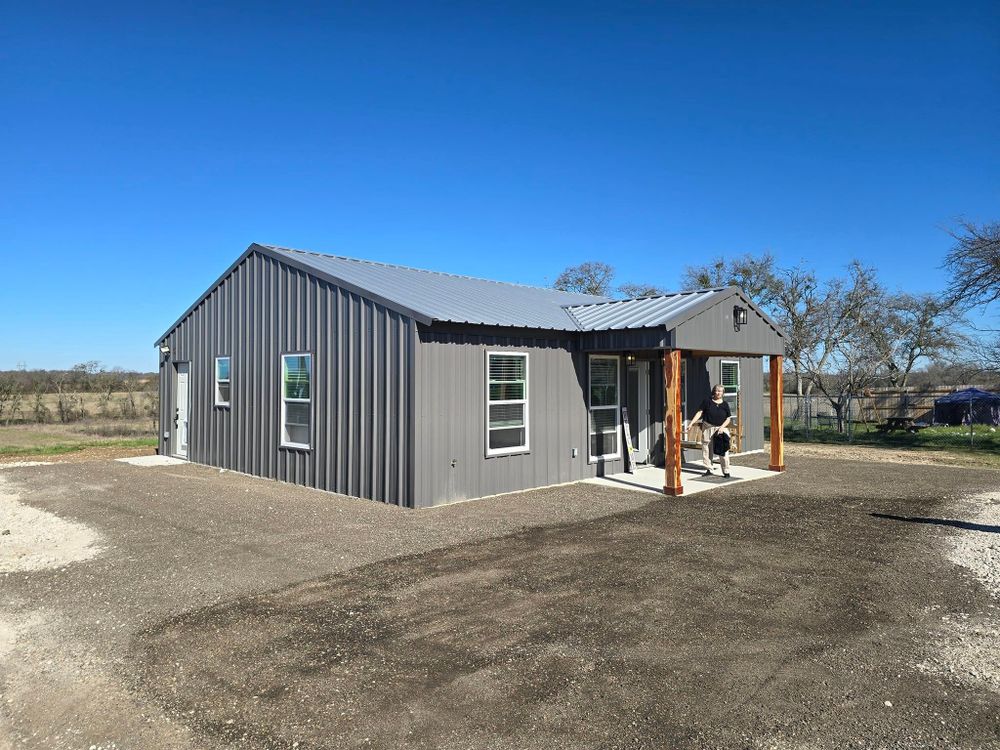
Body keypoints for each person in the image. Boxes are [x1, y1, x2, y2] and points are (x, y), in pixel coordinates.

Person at [690, 384, 732, 478]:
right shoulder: (707, 401)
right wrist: (691, 423)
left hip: (721, 429)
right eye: (717, 390)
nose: (718, 393)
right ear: (714, 391)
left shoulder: (725, 404)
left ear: (723, 393)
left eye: (720, 391)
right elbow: (699, 412)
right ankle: (709, 469)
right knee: (707, 449)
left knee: (723, 450)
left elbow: (728, 418)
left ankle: (726, 471)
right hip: (708, 427)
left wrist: (722, 427)